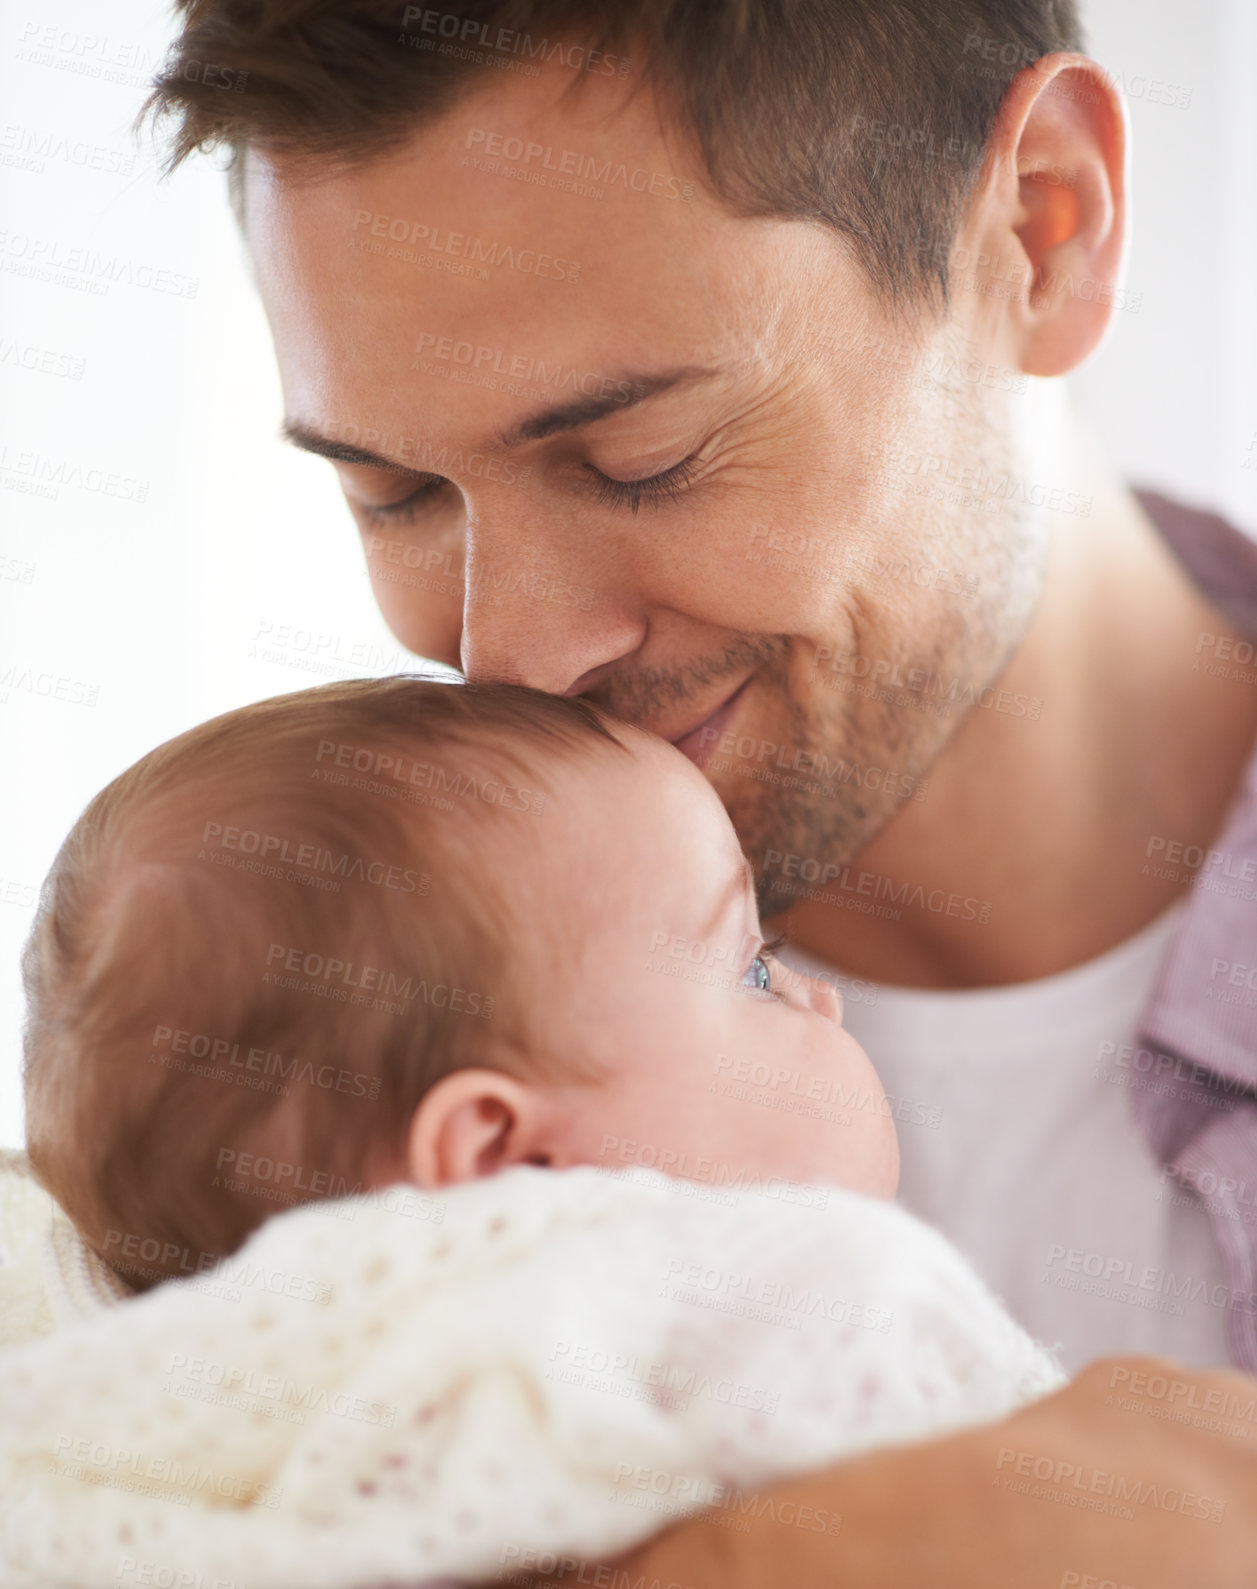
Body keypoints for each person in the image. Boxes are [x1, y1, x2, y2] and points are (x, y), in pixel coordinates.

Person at [138, 0, 1257, 1583]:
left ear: (1040, 228)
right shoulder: (311, 1012)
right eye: (391, 494)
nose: (507, 651)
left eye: (639, 457)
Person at [8, 675, 1061, 1585]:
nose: (818, 996)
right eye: (749, 968)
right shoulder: (802, 1311)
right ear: (505, 1163)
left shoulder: (105, 1412)